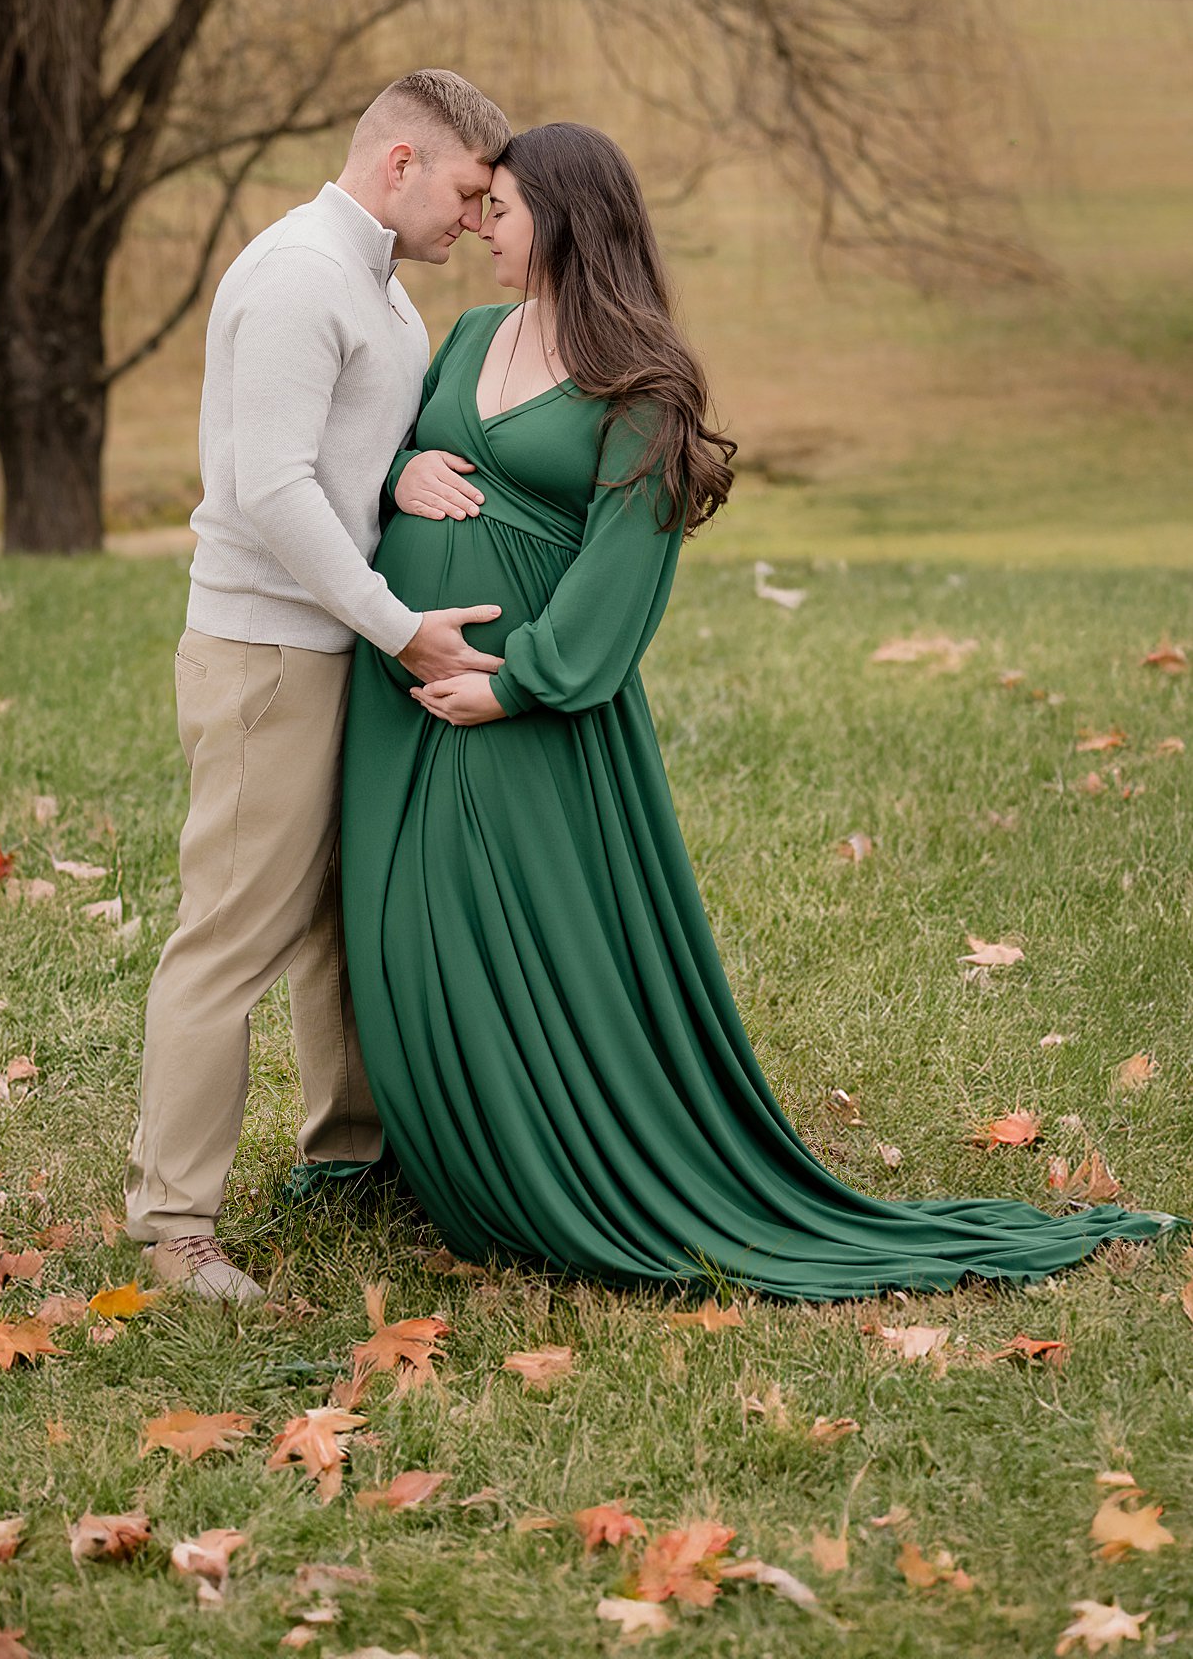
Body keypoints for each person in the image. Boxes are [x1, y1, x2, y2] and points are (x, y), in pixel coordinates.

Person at [338, 122, 1185, 1298]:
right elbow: (386, 454)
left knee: (525, 940)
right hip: (403, 701)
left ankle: (558, 1169)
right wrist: (395, 475)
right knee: (412, 931)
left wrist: (517, 680)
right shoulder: (471, 335)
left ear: (571, 219)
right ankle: (445, 1150)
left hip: (521, 706)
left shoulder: (643, 378)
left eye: (508, 206)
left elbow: (625, 569)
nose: (484, 224)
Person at [123, 69, 512, 1301]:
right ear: (399, 161)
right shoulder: (299, 273)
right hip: (267, 651)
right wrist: (402, 627)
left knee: (344, 911)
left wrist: (395, 474)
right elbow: (269, 491)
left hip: (330, 645)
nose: (474, 216)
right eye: (464, 189)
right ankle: (173, 1222)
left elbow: (335, 456)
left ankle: (350, 1154)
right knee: (233, 931)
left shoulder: (381, 293)